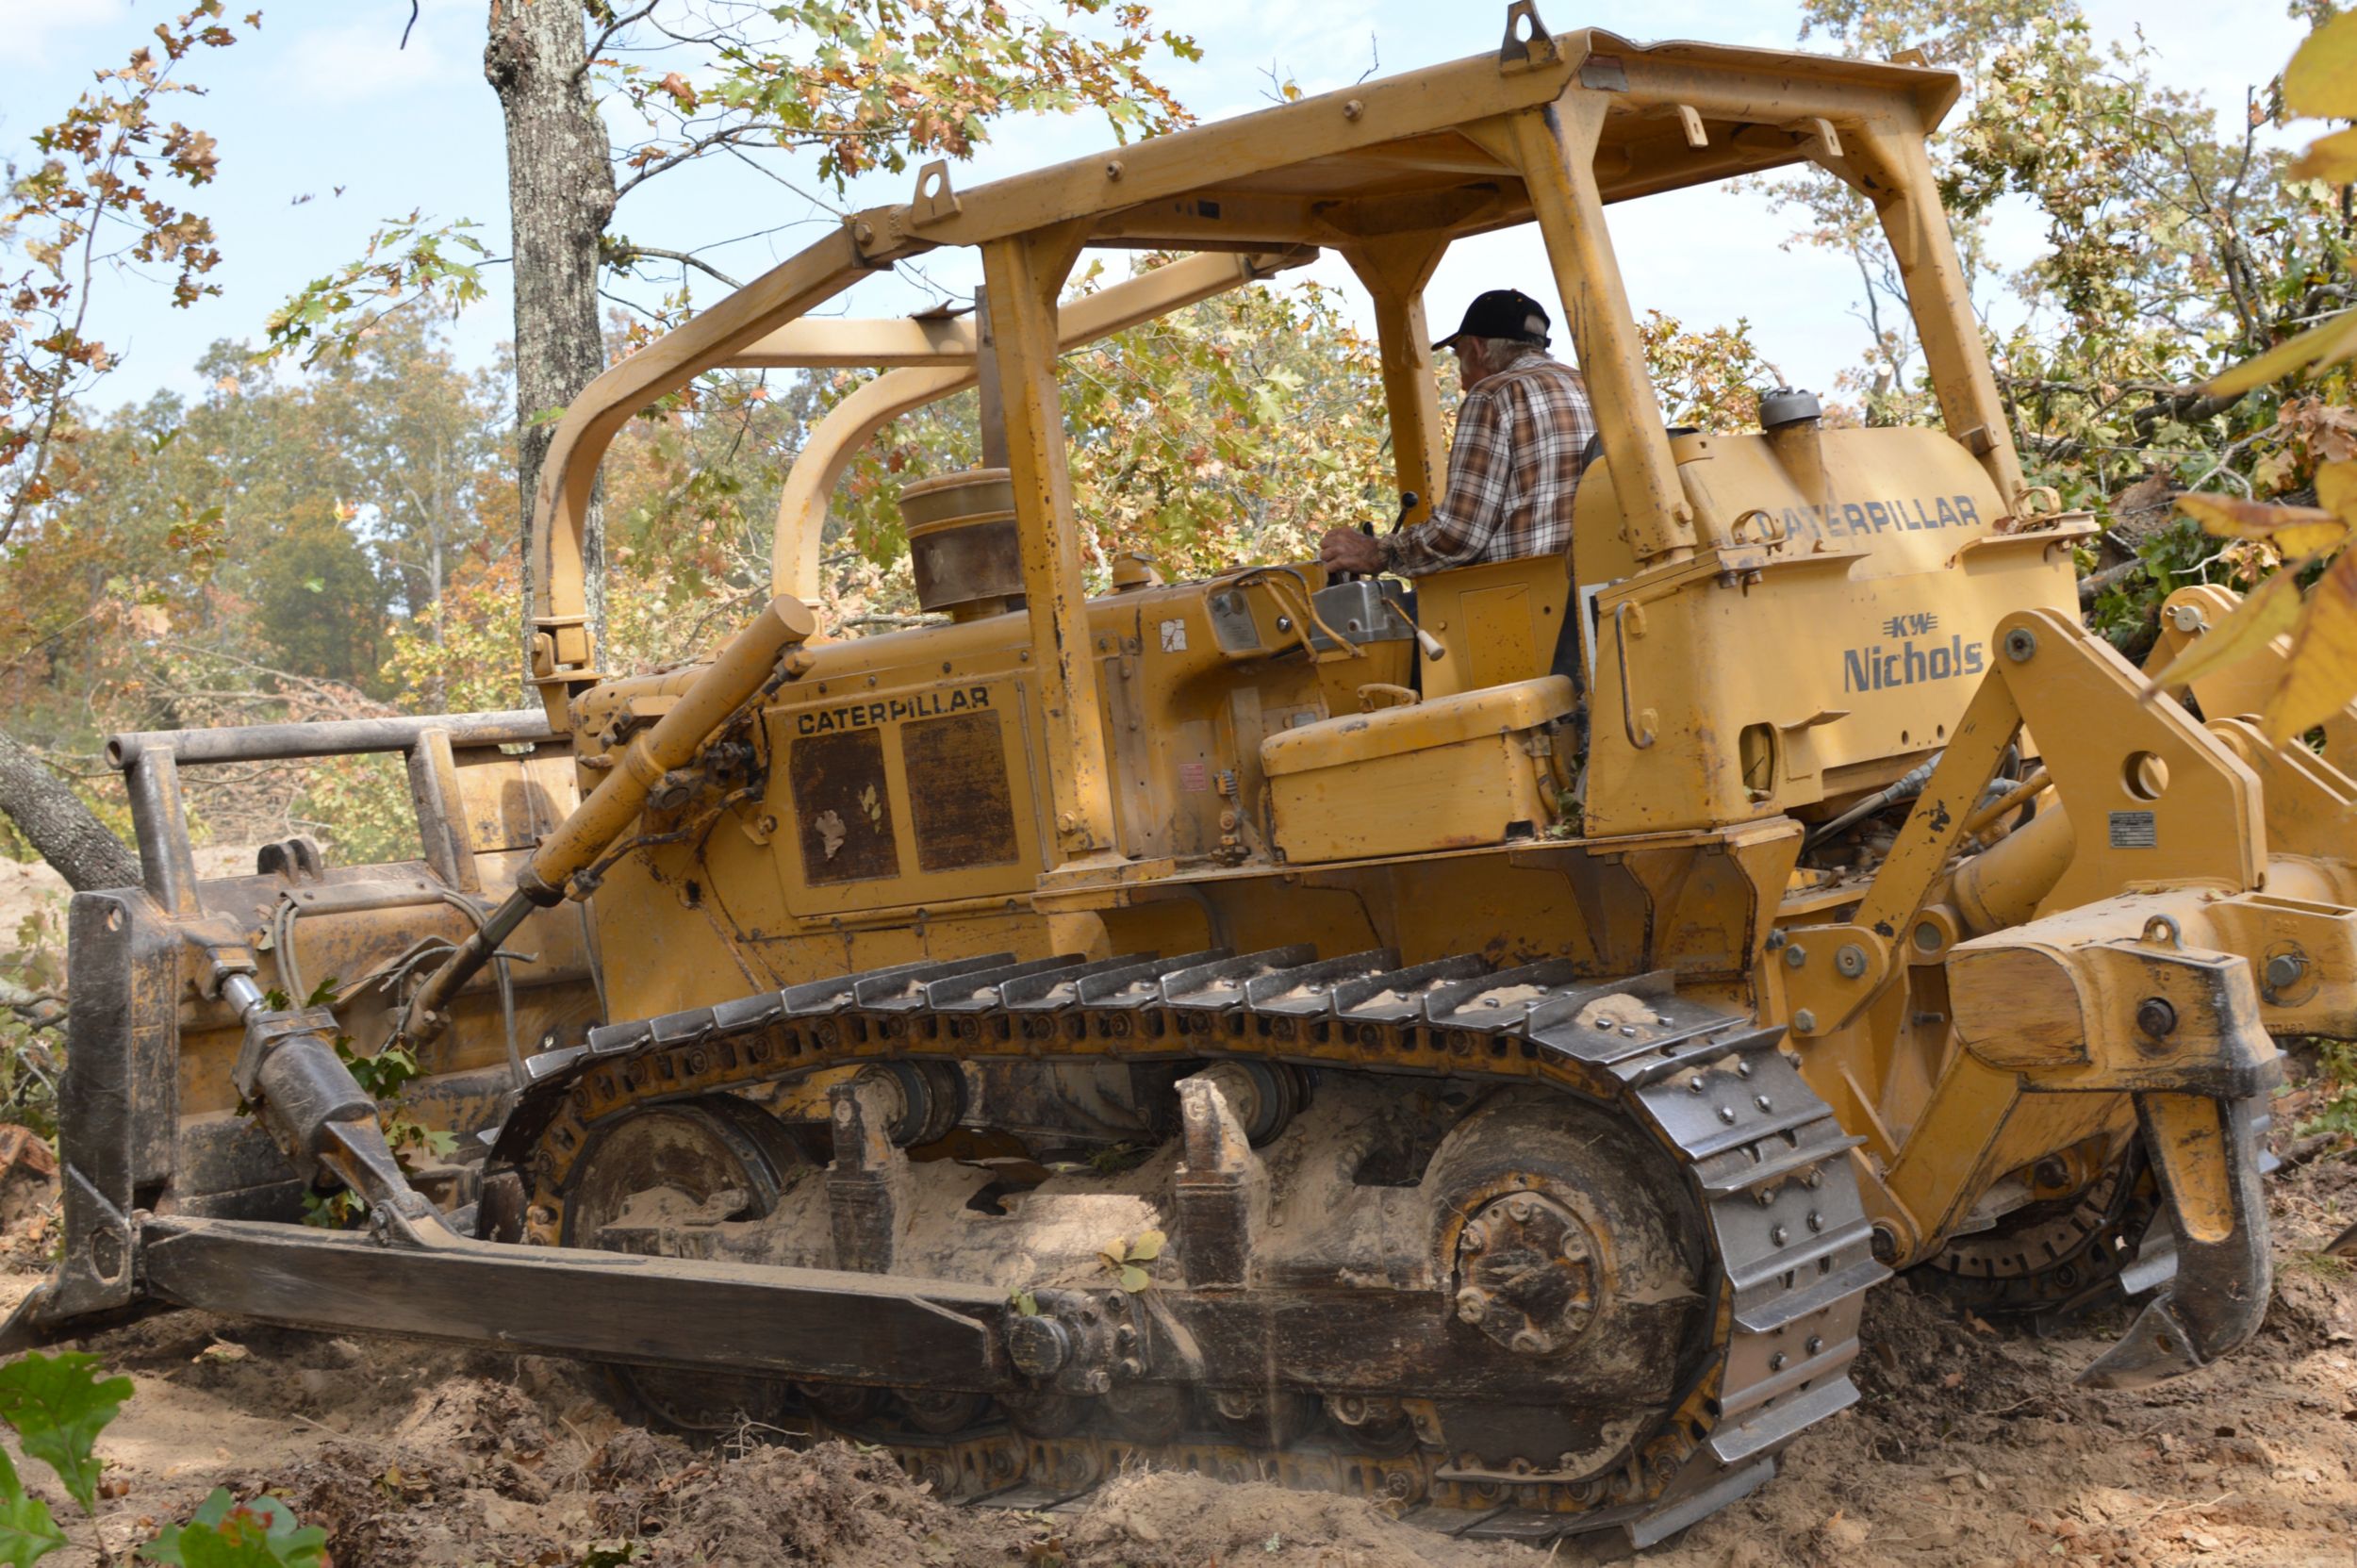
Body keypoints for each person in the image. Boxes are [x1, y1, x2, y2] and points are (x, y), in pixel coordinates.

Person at [1318, 288, 1595, 580]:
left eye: (1458, 358)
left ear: (1478, 349)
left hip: (1526, 598)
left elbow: (1460, 535)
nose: (1463, 385)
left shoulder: (1493, 394)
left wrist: (1380, 553)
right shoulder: (1594, 387)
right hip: (1600, 587)